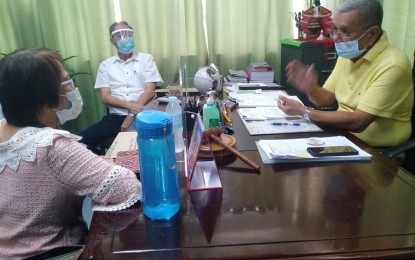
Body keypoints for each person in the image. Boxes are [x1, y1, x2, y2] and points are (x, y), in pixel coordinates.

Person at [0, 48, 142, 259]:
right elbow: (126, 189)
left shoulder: (6, 129)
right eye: (67, 81)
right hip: (52, 253)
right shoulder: (53, 146)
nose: (72, 88)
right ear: (46, 98)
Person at [278, 0, 414, 148]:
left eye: (345, 32)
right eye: (334, 29)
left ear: (372, 35)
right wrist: (311, 89)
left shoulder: (394, 64)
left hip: (378, 152)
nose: (336, 37)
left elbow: (358, 122)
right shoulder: (349, 55)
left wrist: (303, 111)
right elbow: (326, 99)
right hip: (344, 137)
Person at [79, 21, 163, 154]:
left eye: (128, 34)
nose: (125, 38)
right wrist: (129, 107)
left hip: (145, 114)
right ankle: (104, 164)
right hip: (117, 117)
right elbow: (105, 97)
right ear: (112, 41)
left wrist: (131, 115)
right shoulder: (106, 65)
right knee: (79, 142)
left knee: (149, 148)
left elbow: (150, 91)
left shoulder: (146, 59)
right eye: (119, 35)